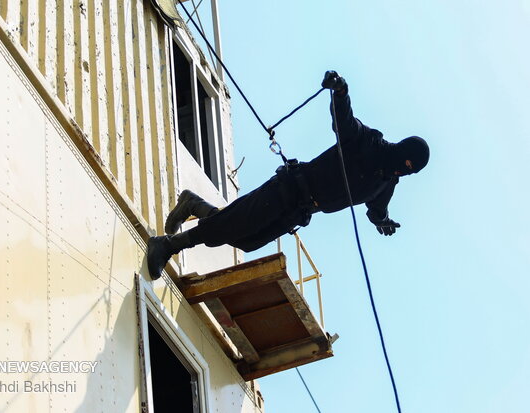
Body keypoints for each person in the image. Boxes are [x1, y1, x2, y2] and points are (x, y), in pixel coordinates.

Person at [146, 71, 430, 280]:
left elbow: (377, 209)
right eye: (406, 164)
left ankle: (193, 205)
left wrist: (384, 222)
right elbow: (345, 123)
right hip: (289, 189)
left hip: (299, 212)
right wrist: (341, 93)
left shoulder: (387, 182)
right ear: (402, 152)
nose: (404, 172)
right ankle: (167, 245)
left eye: (410, 171)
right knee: (228, 226)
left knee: (245, 240)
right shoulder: (369, 143)